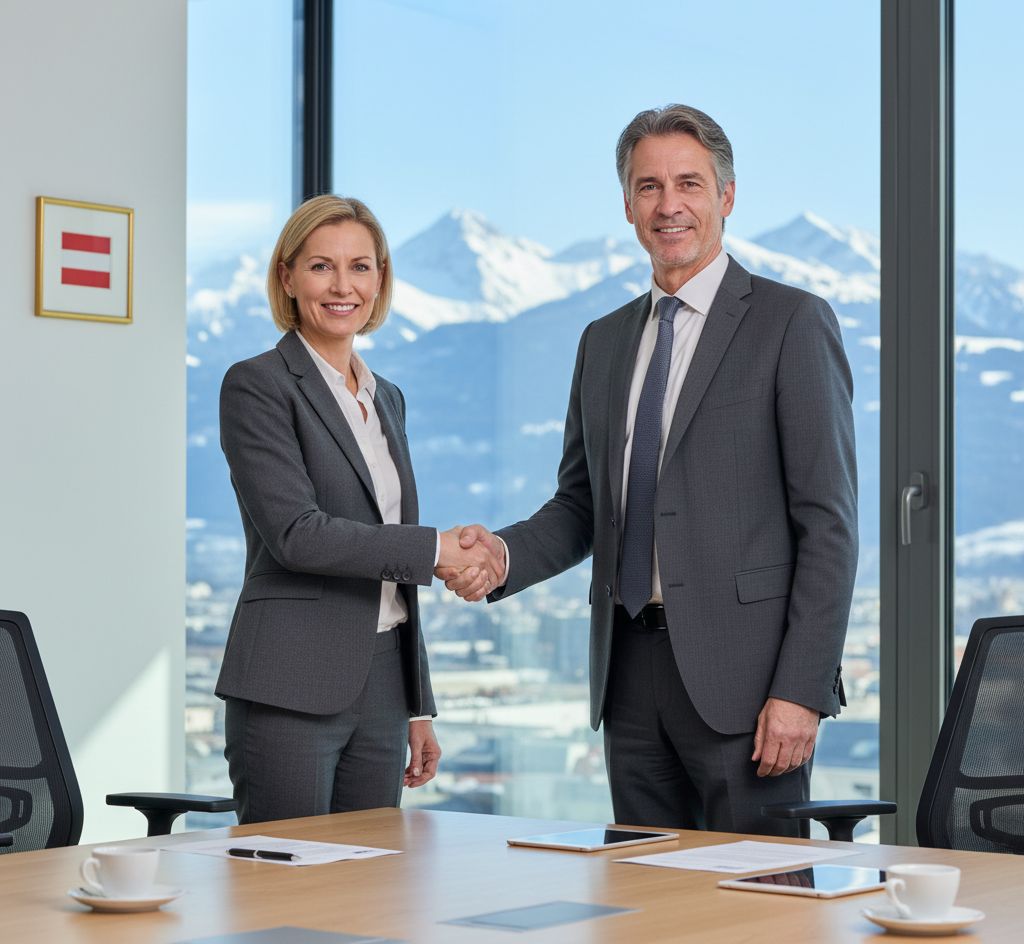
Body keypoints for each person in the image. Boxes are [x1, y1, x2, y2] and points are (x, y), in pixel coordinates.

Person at [441, 105, 857, 835]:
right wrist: (500, 555)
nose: (669, 205)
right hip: (628, 676)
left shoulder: (791, 322)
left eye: (688, 184)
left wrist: (803, 691)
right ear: (628, 205)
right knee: (645, 898)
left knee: (758, 903)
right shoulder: (603, 341)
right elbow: (581, 506)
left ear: (726, 197)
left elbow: (828, 525)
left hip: (750, 686)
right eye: (648, 186)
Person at [216, 195, 503, 823]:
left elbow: (388, 551)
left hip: (381, 684)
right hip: (290, 680)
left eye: (360, 267)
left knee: (369, 887)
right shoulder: (257, 385)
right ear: (287, 278)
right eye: (321, 267)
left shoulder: (387, 398)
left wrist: (416, 704)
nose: (343, 286)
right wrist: (438, 550)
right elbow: (298, 535)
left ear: (380, 280)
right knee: (286, 895)